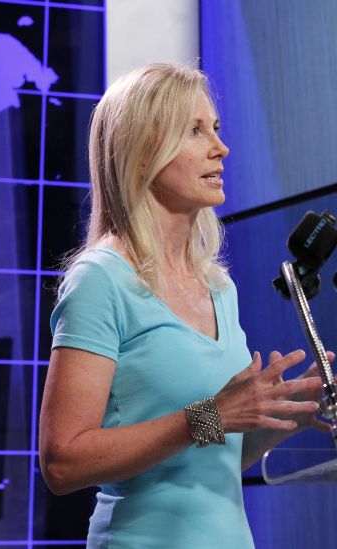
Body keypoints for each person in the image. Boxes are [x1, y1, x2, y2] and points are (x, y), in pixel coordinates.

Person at [39, 64, 329, 547]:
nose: (220, 147)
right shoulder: (101, 280)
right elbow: (62, 463)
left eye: (214, 127)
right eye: (194, 131)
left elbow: (210, 457)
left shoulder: (219, 286)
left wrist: (285, 414)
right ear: (140, 155)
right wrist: (211, 414)